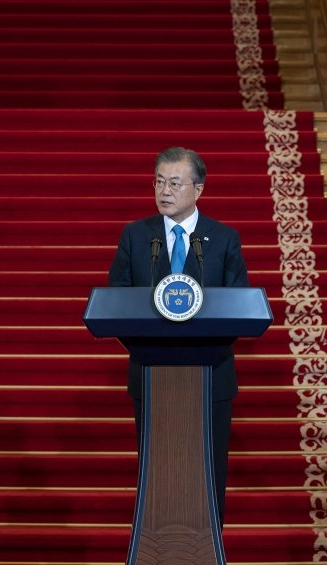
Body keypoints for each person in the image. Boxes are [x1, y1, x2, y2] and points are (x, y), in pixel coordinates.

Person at [108, 146, 248, 521]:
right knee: (159, 478)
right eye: (158, 182)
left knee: (208, 478)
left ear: (198, 189)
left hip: (211, 376)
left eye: (174, 183)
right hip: (151, 374)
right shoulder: (137, 236)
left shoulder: (224, 238)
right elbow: (116, 300)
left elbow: (238, 306)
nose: (164, 191)